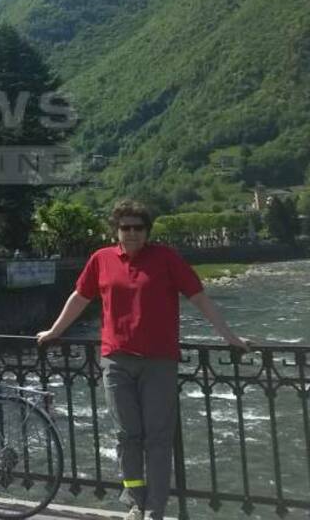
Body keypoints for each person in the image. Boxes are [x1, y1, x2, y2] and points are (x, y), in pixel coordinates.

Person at [36, 199, 249, 520]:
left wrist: (229, 337)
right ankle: (135, 500)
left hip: (159, 362)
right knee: (127, 436)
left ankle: (155, 508)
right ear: (116, 232)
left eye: (139, 228)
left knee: (158, 439)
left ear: (147, 231)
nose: (132, 233)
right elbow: (81, 297)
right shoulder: (101, 260)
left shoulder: (165, 258)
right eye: (126, 228)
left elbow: (198, 297)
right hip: (117, 361)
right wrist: (54, 330)